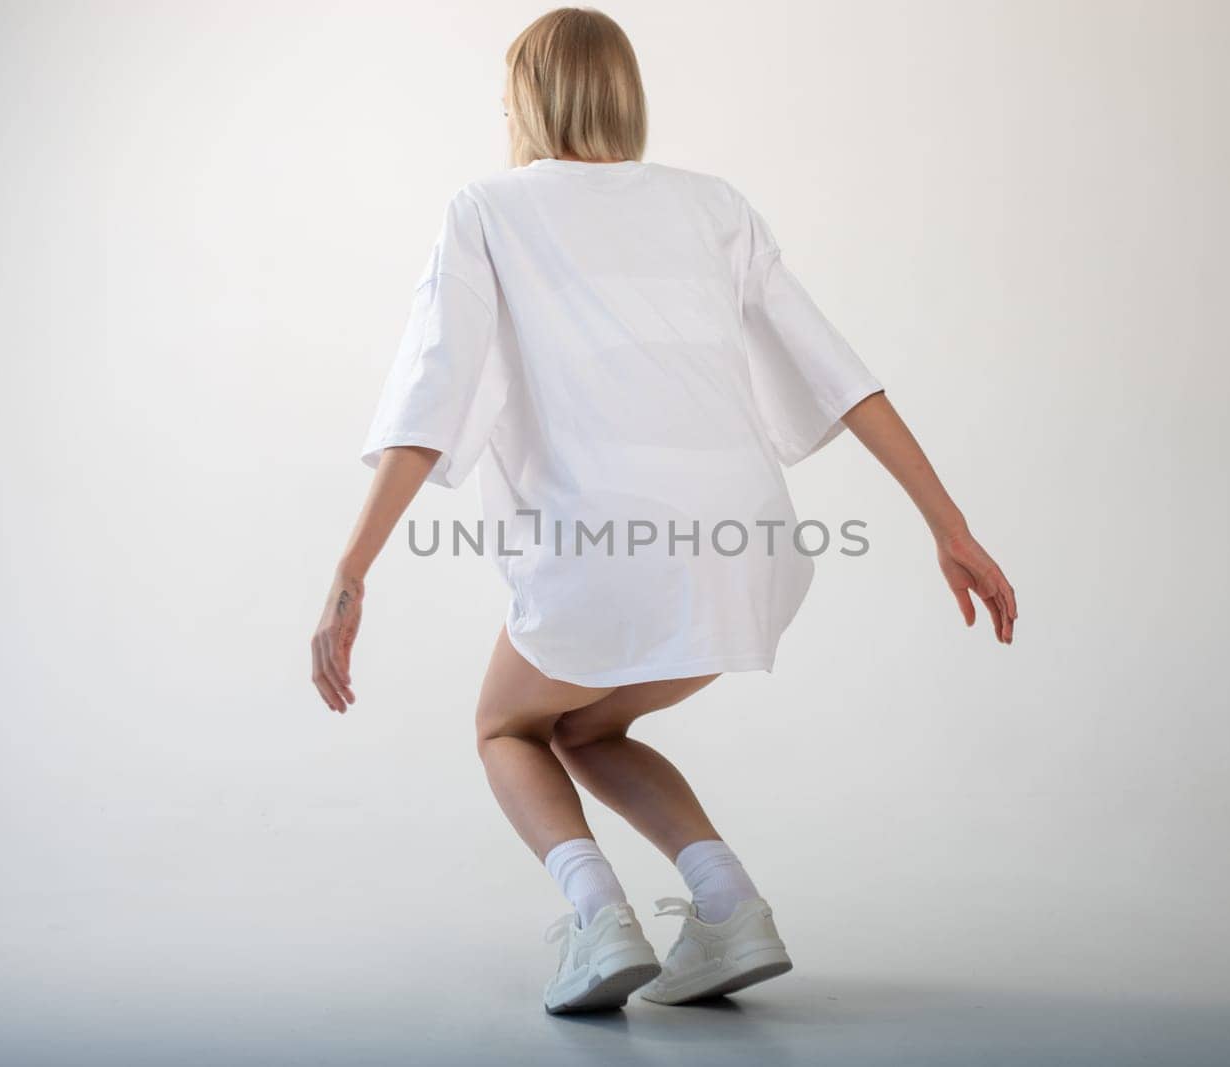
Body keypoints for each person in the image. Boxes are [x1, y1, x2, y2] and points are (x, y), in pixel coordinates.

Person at [311, 6, 1017, 1014]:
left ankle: (598, 919)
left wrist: (351, 572)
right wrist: (950, 526)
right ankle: (731, 908)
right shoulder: (712, 204)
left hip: (605, 543)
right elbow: (839, 373)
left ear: (525, 98)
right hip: (748, 547)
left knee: (506, 726)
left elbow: (431, 398)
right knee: (589, 731)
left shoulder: (487, 208)